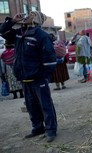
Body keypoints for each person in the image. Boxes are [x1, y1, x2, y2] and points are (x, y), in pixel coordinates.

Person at [0, 11, 57, 142]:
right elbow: (3, 31)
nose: (27, 15)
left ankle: (50, 130)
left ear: (37, 19)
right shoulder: (19, 33)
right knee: (31, 106)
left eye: (31, 14)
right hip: (24, 78)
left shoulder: (41, 35)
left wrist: (42, 76)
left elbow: (50, 59)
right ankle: (37, 127)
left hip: (38, 79)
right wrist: (12, 21)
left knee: (45, 105)